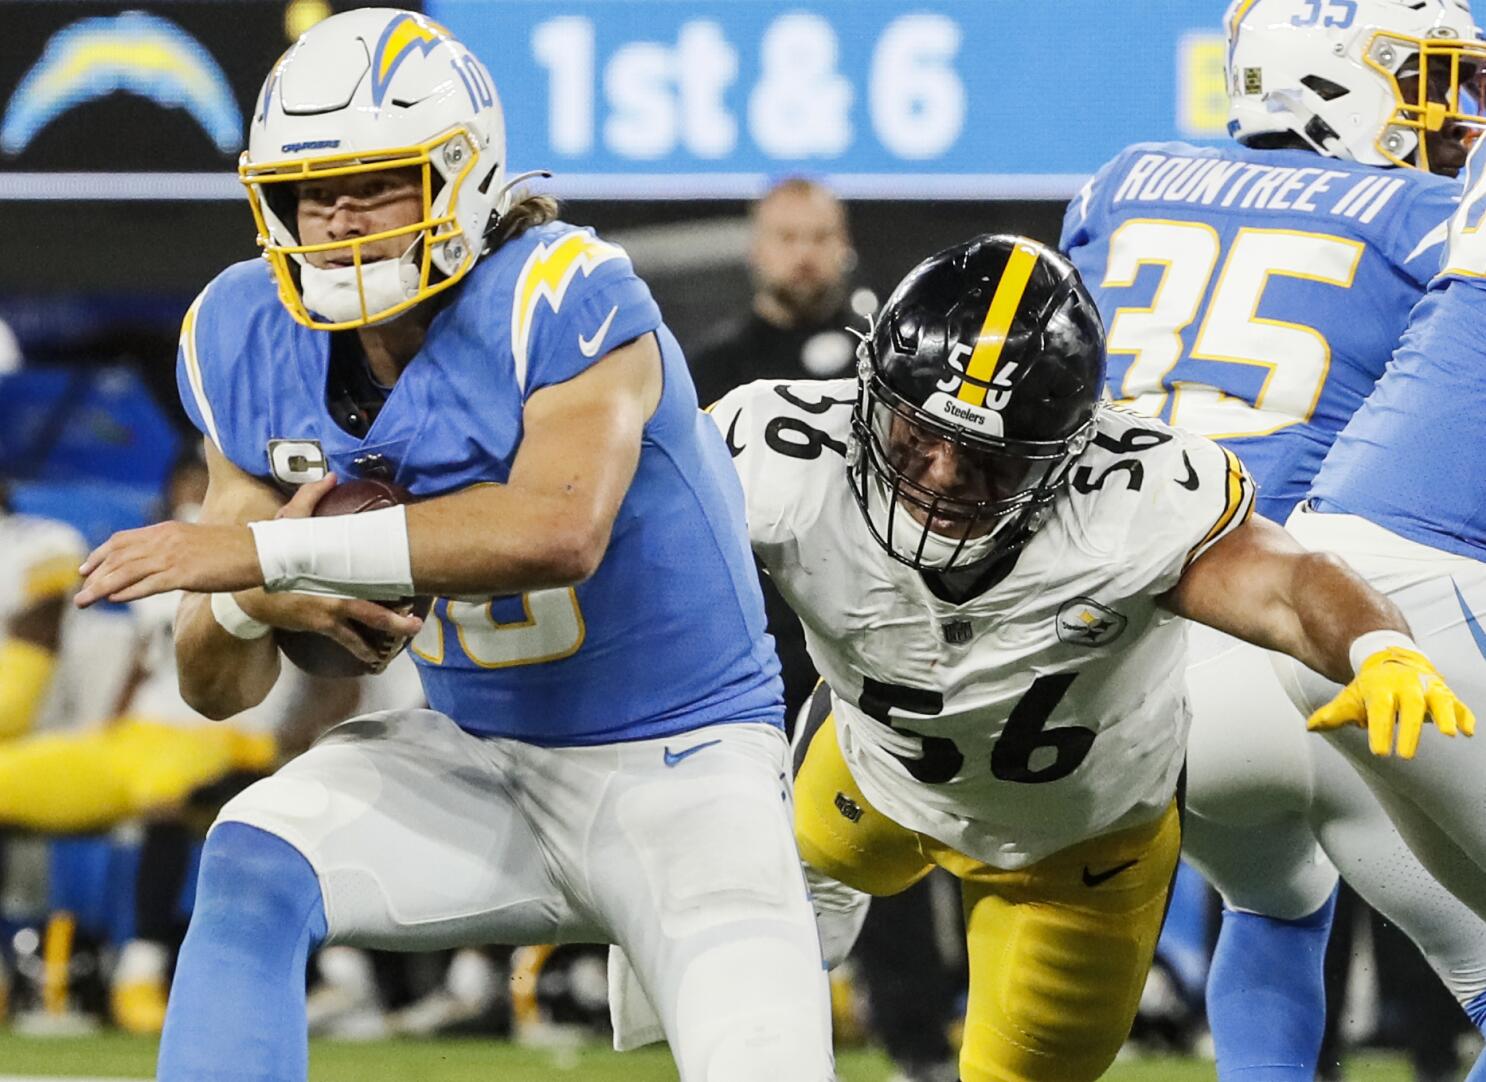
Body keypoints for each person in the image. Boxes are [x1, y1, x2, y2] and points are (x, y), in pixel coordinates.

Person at [72, 9, 831, 1081]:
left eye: (374, 182)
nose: (335, 219)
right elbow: (216, 684)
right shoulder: (248, 334)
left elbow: (554, 530)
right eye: (309, 189)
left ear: (462, 176)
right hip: (478, 760)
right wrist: (254, 605)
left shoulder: (562, 291)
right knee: (251, 854)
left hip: (685, 767)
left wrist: (263, 560)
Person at [696, 234, 1470, 1082]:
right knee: (788, 888)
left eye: (991, 460)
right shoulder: (778, 447)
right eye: (918, 437)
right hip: (869, 766)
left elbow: (1289, 584)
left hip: (1073, 850)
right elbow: (643, 552)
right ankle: (815, 889)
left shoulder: (1132, 498)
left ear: (1070, 449)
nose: (945, 477)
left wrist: (1377, 645)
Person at [1061, 1, 1486, 1076]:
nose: (1454, 113)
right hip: (1312, 628)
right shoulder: (1424, 216)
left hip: (1126, 677)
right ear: (1338, 80)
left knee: (1274, 898)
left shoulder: (1122, 186)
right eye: (1426, 80)